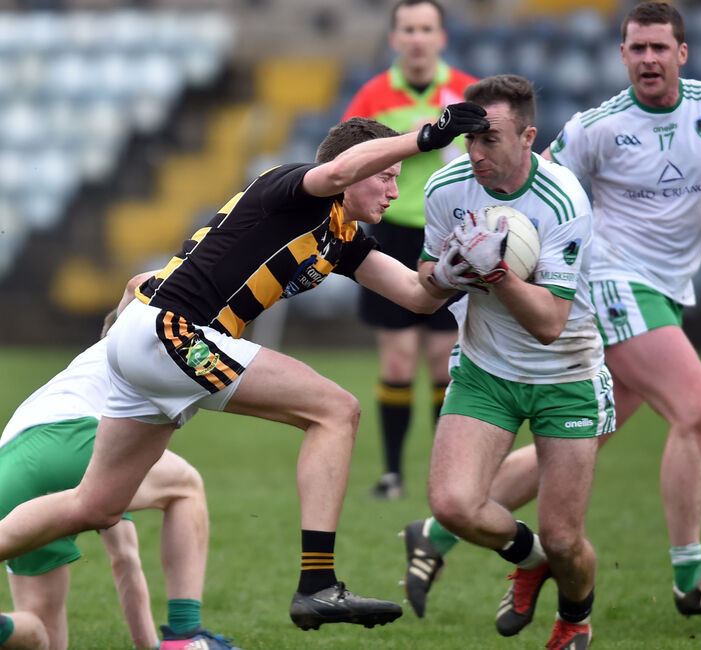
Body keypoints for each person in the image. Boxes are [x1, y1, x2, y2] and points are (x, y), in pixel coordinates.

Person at [0, 105, 491, 633]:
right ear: (356, 167)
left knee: (93, 508)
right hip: (173, 332)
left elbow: (416, 297)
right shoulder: (295, 188)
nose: (395, 192)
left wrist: (452, 270)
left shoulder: (342, 236)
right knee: (335, 410)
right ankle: (317, 585)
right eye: (387, 177)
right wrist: (425, 137)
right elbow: (336, 173)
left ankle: (314, 588)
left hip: (148, 341)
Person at [402, 0, 701, 632]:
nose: (648, 59)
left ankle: (443, 538)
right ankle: (691, 577)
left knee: (586, 446)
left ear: (681, 53)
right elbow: (537, 191)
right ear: (621, 56)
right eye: (636, 49)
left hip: (663, 291)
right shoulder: (597, 127)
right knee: (695, 407)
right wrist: (491, 261)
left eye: (659, 48)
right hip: (608, 282)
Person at [417, 74, 614, 650]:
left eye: (491, 140)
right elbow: (428, 278)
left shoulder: (563, 199)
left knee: (565, 539)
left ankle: (574, 622)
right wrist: (448, 276)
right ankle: (529, 561)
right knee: (453, 505)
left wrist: (496, 273)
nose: (475, 153)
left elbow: (551, 324)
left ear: (529, 136)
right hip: (485, 369)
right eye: (470, 139)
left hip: (567, 376)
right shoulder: (446, 187)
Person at [0, 275, 241, 650]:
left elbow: (124, 556)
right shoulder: (142, 345)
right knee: (185, 487)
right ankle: (185, 633)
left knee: (41, 637)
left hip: (9, 465)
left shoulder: (93, 360)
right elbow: (138, 284)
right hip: (73, 437)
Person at [341, 0, 478, 499]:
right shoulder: (373, 94)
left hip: (448, 233)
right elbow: (346, 158)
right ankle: (393, 473)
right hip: (390, 231)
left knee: (445, 363)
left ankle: (444, 475)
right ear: (395, 38)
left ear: (441, 37)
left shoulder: (466, 91)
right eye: (408, 29)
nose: (417, 38)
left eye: (426, 28)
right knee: (397, 363)